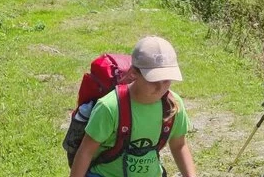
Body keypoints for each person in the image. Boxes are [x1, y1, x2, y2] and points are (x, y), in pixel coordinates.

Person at [70, 36, 198, 177]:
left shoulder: (173, 105)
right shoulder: (110, 107)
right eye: (153, 80)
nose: (160, 87)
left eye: (166, 80)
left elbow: (179, 145)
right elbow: (86, 151)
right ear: (134, 73)